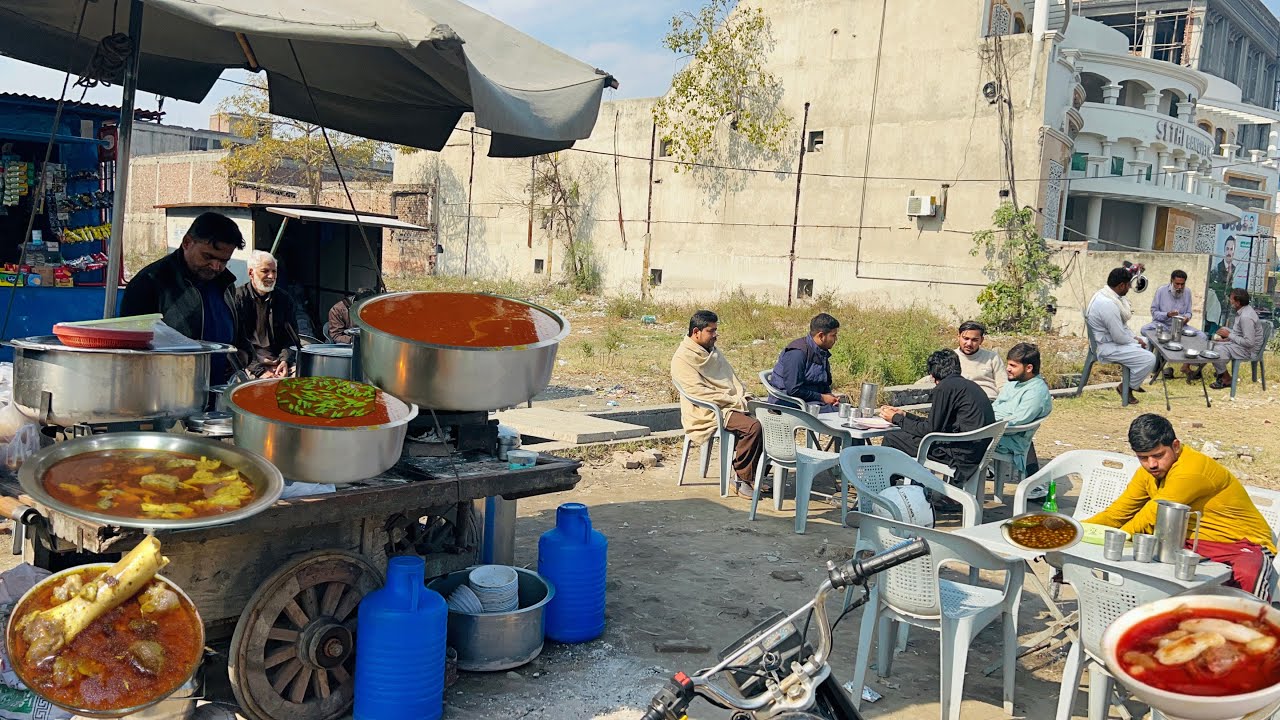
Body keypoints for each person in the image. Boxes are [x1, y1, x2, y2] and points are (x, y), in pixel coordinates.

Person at [1087, 414, 1275, 599]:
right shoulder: (1148, 473)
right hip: (1189, 545)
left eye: (1158, 455)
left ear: (1175, 446)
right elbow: (1117, 513)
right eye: (1143, 458)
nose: (1151, 464)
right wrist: (1077, 529)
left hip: (1243, 544)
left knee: (1246, 581)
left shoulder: (1192, 469)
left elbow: (1151, 514)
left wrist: (1116, 541)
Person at [120, 211, 243, 383]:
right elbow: (130, 349)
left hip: (216, 391)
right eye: (208, 256)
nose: (216, 266)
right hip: (169, 393)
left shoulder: (225, 283)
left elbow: (236, 337)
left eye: (224, 261)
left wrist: (242, 356)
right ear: (187, 243)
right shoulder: (150, 281)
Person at [671, 310, 766, 498]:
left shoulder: (712, 351)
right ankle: (740, 479)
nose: (715, 335)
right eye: (711, 331)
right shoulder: (682, 358)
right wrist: (732, 400)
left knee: (770, 419)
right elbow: (698, 392)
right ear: (696, 332)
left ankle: (754, 474)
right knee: (752, 427)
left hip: (727, 403)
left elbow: (730, 379)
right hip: (706, 411)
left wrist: (743, 396)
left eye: (716, 330)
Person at [880, 349, 996, 481]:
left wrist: (896, 419)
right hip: (974, 450)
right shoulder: (967, 385)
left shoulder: (944, 388)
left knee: (892, 438)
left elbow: (930, 430)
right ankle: (902, 480)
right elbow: (936, 423)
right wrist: (905, 415)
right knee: (904, 435)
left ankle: (884, 484)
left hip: (959, 454)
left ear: (933, 374)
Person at [1085, 267, 1155, 404]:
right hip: (1105, 347)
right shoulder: (1108, 304)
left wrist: (1136, 339)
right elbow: (1119, 337)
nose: (1129, 288)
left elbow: (1122, 328)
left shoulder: (1107, 295)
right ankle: (1126, 387)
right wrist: (1136, 342)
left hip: (1110, 340)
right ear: (1121, 285)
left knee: (1147, 341)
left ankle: (1133, 381)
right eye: (1128, 285)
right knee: (1149, 359)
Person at [228, 250, 298, 379]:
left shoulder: (284, 300)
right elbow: (234, 342)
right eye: (265, 271)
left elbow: (291, 338)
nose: (271, 276)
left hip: (278, 360)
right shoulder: (236, 299)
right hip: (249, 362)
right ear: (251, 273)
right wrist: (259, 370)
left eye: (274, 271)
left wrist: (284, 361)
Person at [991, 342, 1052, 477]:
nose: (1007, 369)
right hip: (993, 429)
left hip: (1007, 439)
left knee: (958, 440)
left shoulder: (1036, 392)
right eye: (1008, 364)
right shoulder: (1014, 383)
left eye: (1013, 366)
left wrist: (985, 425)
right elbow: (996, 406)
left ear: (1029, 367)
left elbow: (1017, 422)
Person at [768, 313, 840, 410]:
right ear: (821, 336)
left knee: (845, 410)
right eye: (833, 335)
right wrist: (822, 397)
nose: (836, 339)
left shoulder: (821, 352)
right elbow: (793, 390)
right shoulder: (797, 353)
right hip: (789, 403)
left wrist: (829, 396)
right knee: (838, 415)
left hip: (810, 401)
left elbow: (824, 383)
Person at [915, 321, 1004, 400]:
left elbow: (1003, 386)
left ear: (981, 340)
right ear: (958, 336)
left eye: (974, 340)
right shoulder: (949, 358)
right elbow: (934, 378)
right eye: (966, 338)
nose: (969, 343)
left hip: (990, 401)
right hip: (961, 403)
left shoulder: (992, 358)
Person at [1141, 269, 1201, 381]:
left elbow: (1189, 312)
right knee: (1145, 330)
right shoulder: (1161, 291)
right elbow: (1154, 313)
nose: (1179, 287)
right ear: (1171, 281)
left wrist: (1186, 318)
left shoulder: (1187, 292)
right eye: (1177, 284)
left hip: (1180, 326)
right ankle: (1155, 366)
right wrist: (1167, 314)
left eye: (1182, 284)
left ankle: (1186, 366)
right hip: (1162, 324)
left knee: (1202, 336)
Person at [1210, 288, 1263, 389]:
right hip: (1243, 345)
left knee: (1216, 350)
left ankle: (1226, 378)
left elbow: (1249, 342)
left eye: (1231, 299)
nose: (1230, 301)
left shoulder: (1246, 317)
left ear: (1238, 302)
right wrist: (1227, 339)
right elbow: (1240, 334)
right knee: (1218, 339)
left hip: (1248, 350)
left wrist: (1229, 335)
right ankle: (1220, 370)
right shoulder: (1243, 310)